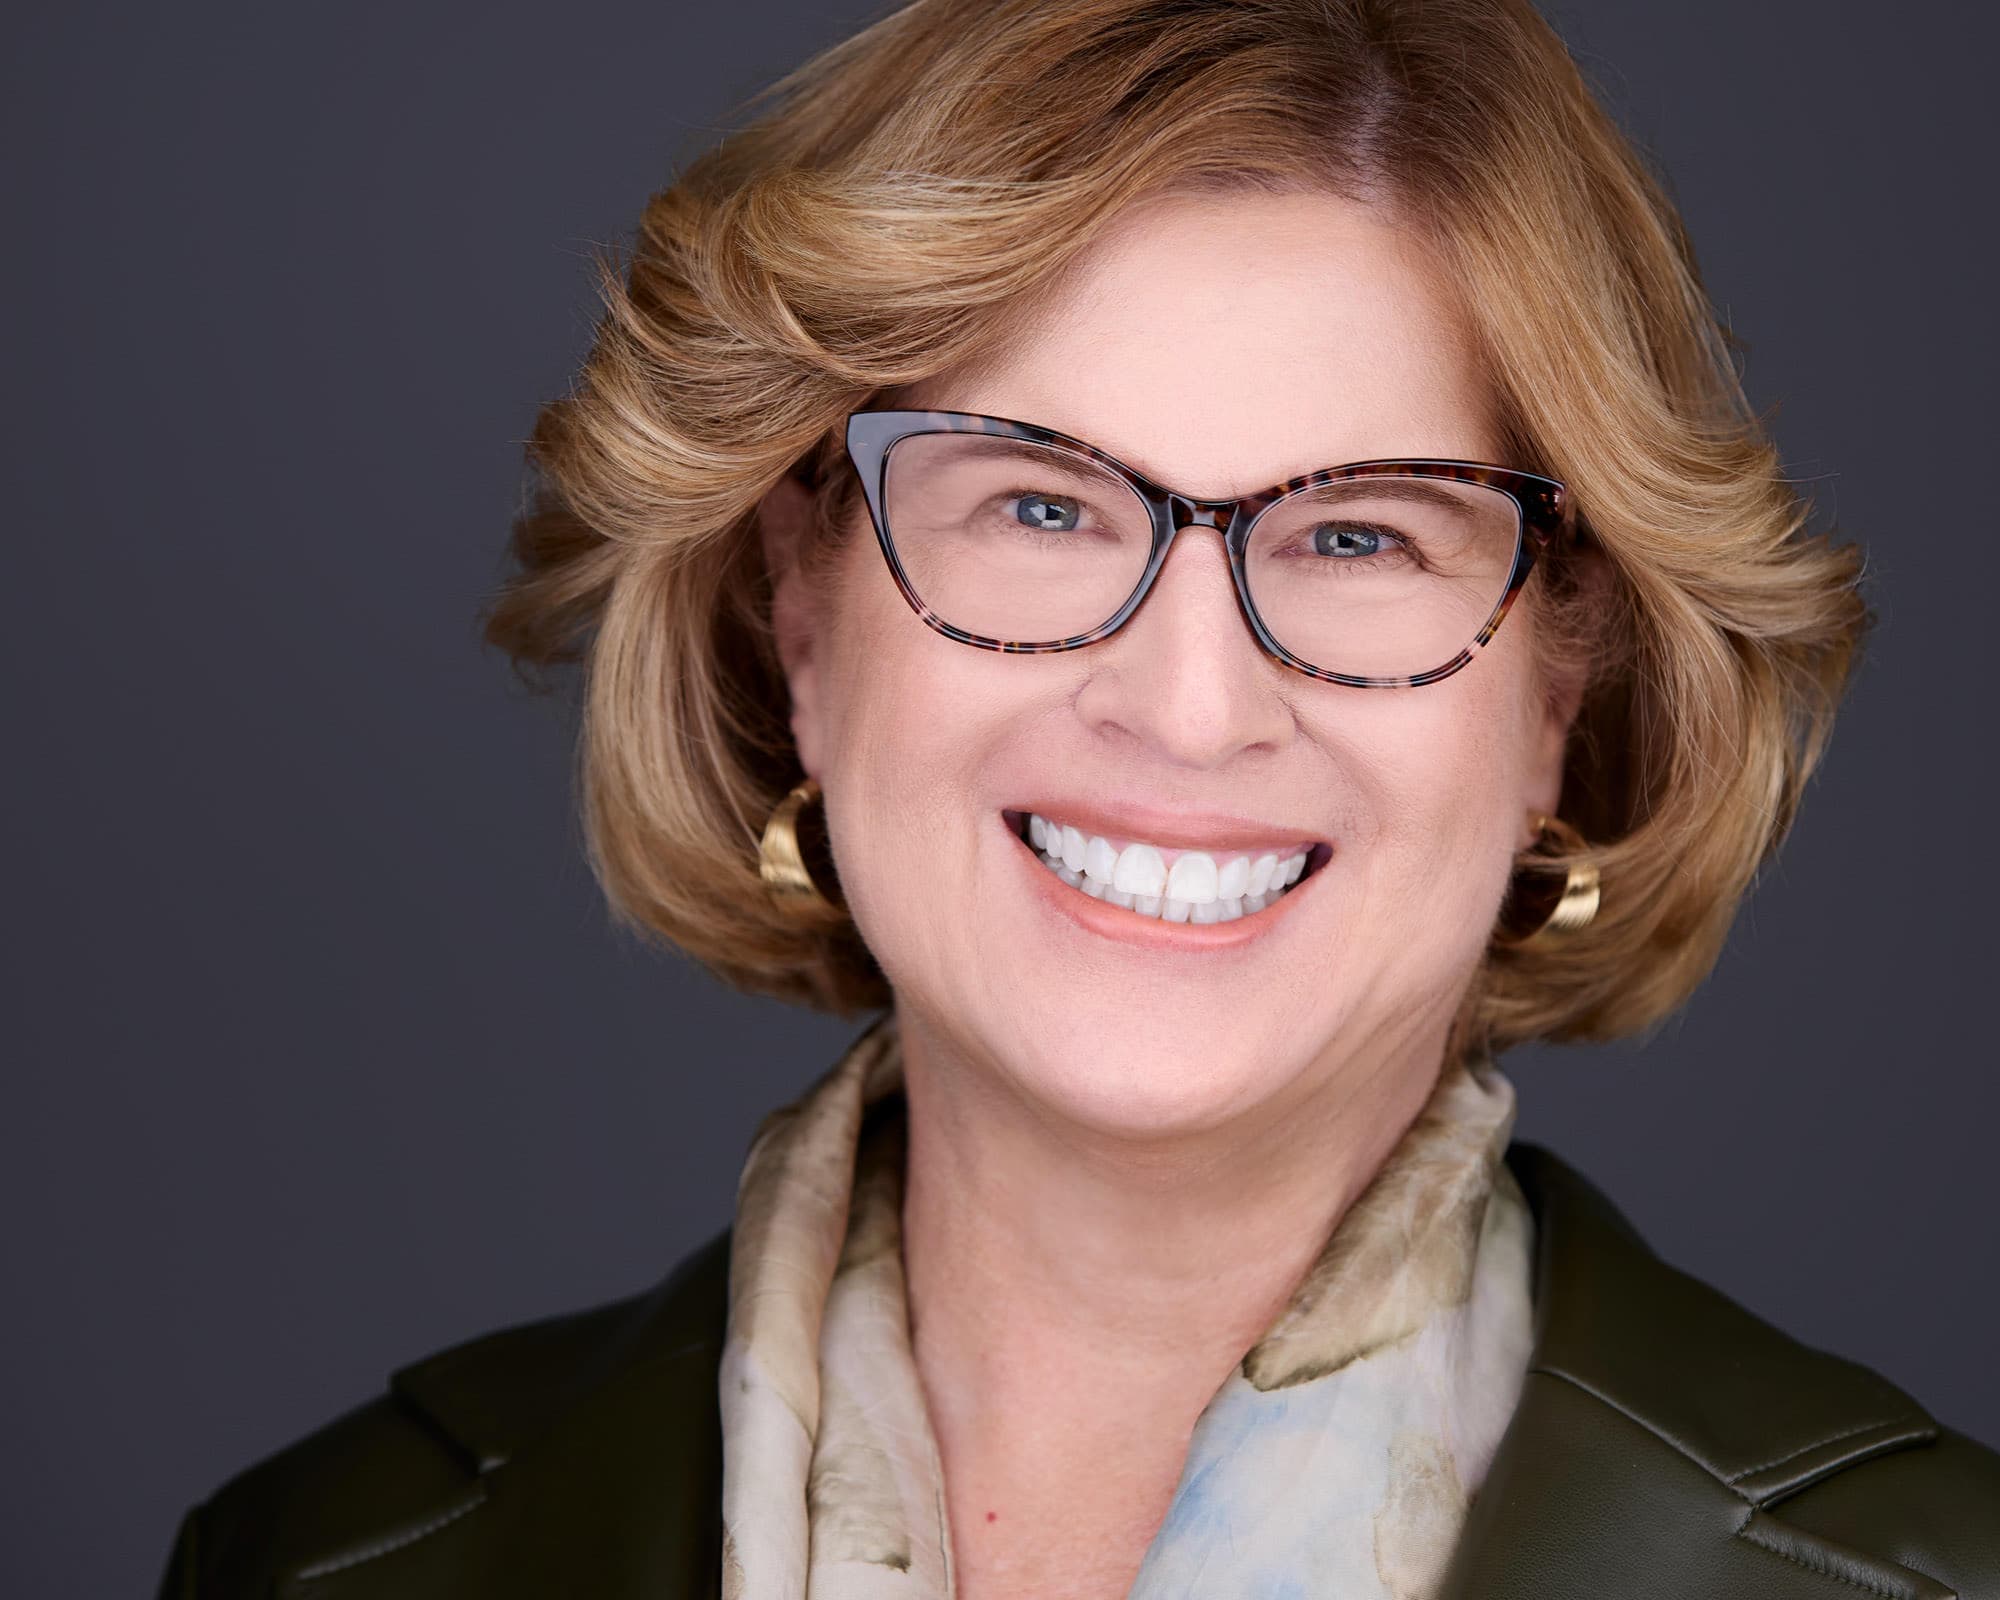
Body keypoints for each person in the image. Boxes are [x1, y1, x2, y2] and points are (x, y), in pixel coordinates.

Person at [155, 0, 2000, 1595]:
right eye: (1040, 506)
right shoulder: (331, 1566)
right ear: (800, 609)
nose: (1191, 710)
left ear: (1556, 692)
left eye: (1360, 533)